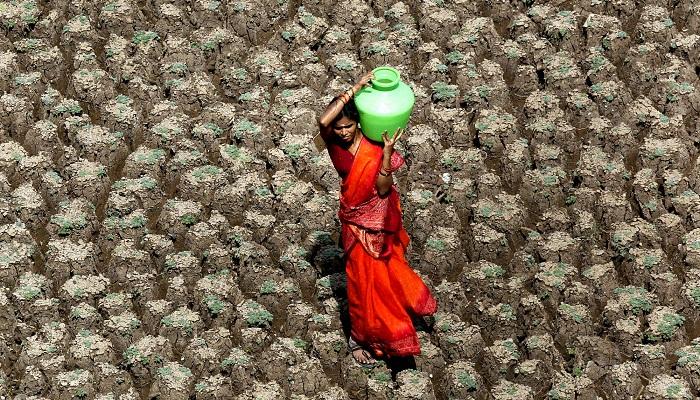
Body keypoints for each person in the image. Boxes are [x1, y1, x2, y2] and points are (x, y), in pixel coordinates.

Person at [316, 71, 438, 365]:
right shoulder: (334, 145)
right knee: (360, 282)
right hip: (355, 224)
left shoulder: (374, 146)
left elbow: (383, 191)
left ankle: (392, 322)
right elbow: (323, 121)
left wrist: (385, 157)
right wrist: (355, 88)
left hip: (380, 223)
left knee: (384, 276)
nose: (343, 132)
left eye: (347, 126)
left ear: (359, 122)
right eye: (339, 128)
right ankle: (360, 335)